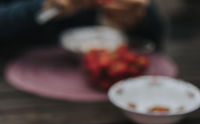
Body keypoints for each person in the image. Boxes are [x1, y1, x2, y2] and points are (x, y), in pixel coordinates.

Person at [0, 0, 165, 48]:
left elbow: (154, 38)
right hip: (18, 81)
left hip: (111, 79)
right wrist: (44, 7)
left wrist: (136, 18)